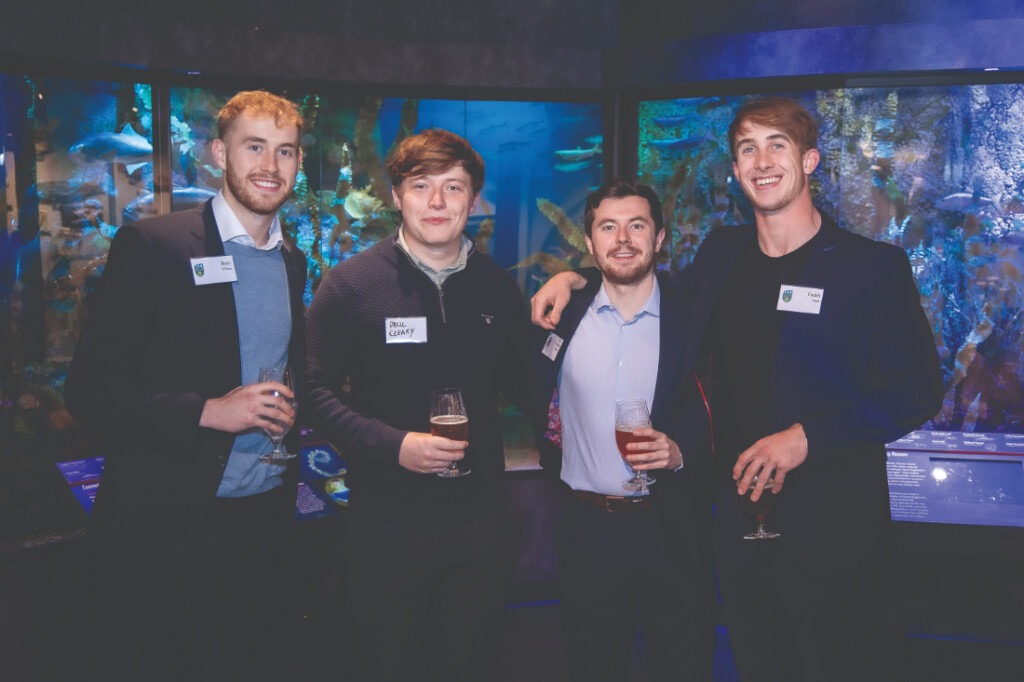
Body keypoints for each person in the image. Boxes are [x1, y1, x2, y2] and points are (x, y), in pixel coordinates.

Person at [532, 97, 944, 681]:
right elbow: (647, 288)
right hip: (740, 531)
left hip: (832, 535)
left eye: (778, 144)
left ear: (810, 161)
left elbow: (918, 390)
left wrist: (806, 439)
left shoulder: (871, 266)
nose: (762, 160)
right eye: (748, 148)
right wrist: (575, 277)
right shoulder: (722, 254)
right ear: (735, 168)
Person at [64, 90, 307, 682]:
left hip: (262, 524)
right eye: (255, 147)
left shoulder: (292, 261)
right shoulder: (156, 247)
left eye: (286, 152)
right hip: (166, 529)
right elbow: (89, 389)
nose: (271, 167)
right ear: (218, 154)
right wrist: (207, 412)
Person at [303, 128, 534, 681]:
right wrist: (393, 445)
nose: (437, 202)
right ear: (396, 195)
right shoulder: (350, 285)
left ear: (473, 202)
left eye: (453, 188)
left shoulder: (498, 288)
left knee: (469, 666)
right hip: (387, 527)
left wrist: (578, 285)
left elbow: (530, 385)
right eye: (421, 185)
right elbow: (311, 392)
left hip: (481, 525)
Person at [531, 180, 715, 682]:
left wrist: (683, 453)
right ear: (589, 244)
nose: (623, 239)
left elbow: (726, 403)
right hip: (588, 530)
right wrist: (568, 279)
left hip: (673, 527)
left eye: (637, 225)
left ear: (659, 238)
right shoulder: (560, 315)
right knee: (593, 665)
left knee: (683, 665)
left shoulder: (697, 313)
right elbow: (529, 393)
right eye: (607, 227)